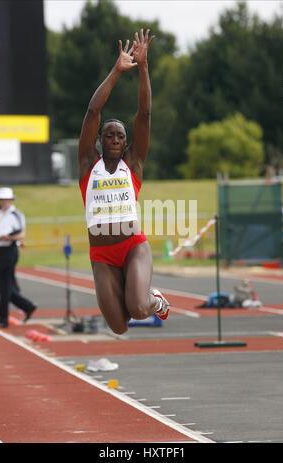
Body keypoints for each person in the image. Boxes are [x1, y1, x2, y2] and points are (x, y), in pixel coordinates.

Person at [78, 29, 169, 335]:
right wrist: (117, 71)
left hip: (132, 247)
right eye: (109, 134)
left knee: (139, 308)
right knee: (119, 326)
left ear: (126, 142)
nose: (115, 138)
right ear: (100, 140)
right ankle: (133, 295)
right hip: (101, 255)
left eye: (120, 135)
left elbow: (144, 113)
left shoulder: (134, 164)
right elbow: (93, 111)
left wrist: (143, 67)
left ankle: (155, 300)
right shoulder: (88, 165)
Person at [0, 187, 37, 328]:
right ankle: (27, 306)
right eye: (2, 199)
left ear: (11, 200)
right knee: (1, 284)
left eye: (6, 199)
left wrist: (9, 237)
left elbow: (21, 234)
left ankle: (3, 319)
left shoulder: (16, 215)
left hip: (9, 250)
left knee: (4, 285)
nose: (4, 202)